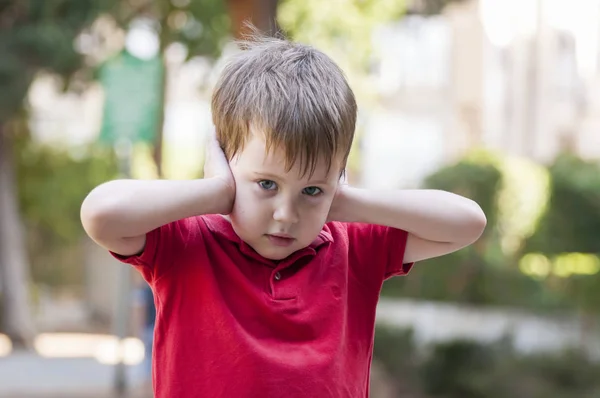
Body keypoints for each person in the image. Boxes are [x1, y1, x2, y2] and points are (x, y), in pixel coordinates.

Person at [80, 33, 486, 398]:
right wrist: (216, 192)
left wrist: (342, 203)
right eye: (266, 185)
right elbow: (102, 214)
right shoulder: (186, 243)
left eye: (311, 190)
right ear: (224, 163)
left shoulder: (354, 248)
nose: (286, 214)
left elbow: (468, 223)